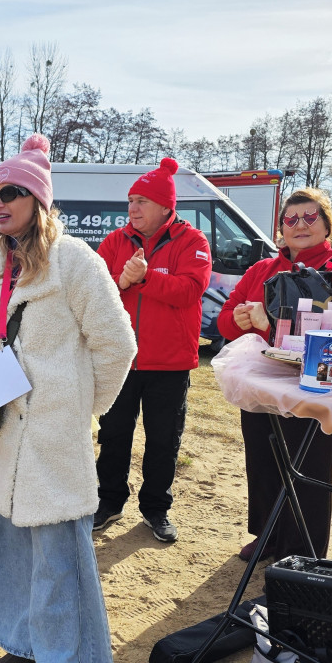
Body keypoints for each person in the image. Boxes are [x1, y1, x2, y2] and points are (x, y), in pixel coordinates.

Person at [0, 135, 136, 663]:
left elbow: (118, 347)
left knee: (59, 566)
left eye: (10, 193)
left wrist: (78, 409)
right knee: (4, 556)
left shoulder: (77, 262)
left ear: (38, 199)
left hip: (53, 441)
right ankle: (27, 647)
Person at [217, 188, 332, 562]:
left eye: (309, 217)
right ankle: (268, 535)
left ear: (326, 225)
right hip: (260, 383)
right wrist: (240, 318)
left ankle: (304, 548)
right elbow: (226, 320)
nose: (300, 225)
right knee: (263, 460)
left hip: (312, 387)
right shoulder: (262, 270)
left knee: (310, 466)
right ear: (281, 229)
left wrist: (270, 323)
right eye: (291, 219)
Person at [93, 158, 212, 544]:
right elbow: (94, 292)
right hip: (120, 358)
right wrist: (121, 280)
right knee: (113, 435)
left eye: (142, 200)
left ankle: (156, 508)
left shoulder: (193, 242)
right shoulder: (114, 241)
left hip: (170, 363)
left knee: (163, 440)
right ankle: (108, 501)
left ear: (166, 206)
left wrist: (143, 280)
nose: (133, 208)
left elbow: (189, 291)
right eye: (131, 200)